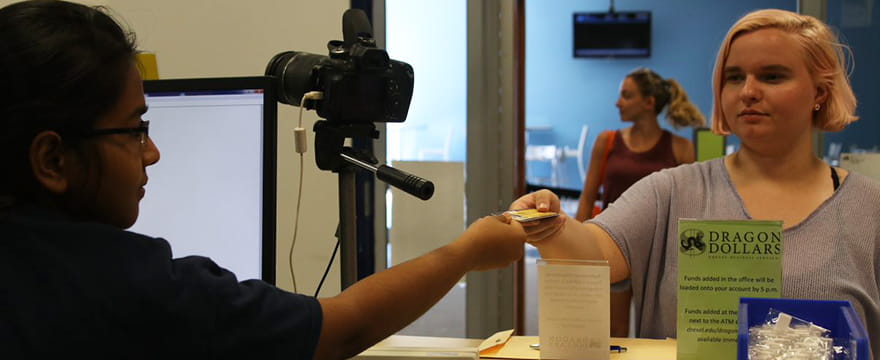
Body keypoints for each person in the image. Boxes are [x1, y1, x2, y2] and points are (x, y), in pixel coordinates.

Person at [0, 1, 526, 359]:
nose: (153, 152)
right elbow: (344, 326)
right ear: (52, 160)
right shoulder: (135, 287)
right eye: (136, 130)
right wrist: (467, 251)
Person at [513, 8, 879, 356]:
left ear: (820, 91)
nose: (748, 91)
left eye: (772, 76)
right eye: (734, 77)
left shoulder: (869, 207)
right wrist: (549, 224)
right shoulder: (670, 191)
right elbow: (594, 252)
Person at [573, 68, 705, 336]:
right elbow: (587, 199)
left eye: (626, 95)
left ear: (648, 103)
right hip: (613, 247)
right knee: (613, 333)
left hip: (661, 254)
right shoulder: (607, 141)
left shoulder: (681, 148)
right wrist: (576, 253)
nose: (617, 102)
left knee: (658, 334)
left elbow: (693, 207)